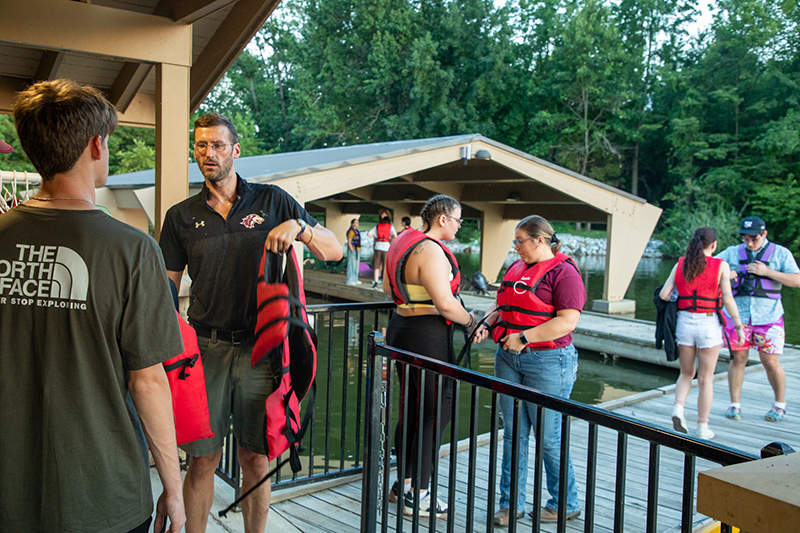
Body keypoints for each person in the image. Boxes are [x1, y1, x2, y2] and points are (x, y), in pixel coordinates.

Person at [0, 80, 185, 532]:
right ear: (96, 145)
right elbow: (148, 382)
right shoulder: (133, 250)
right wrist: (174, 488)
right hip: (104, 497)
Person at [159, 113, 340, 533]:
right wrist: (169, 345)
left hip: (264, 350)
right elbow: (166, 289)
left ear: (236, 150)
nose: (209, 153)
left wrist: (301, 228)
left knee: (256, 457)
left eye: (218, 145)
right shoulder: (181, 216)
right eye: (201, 145)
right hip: (206, 350)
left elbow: (332, 251)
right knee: (202, 459)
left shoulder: (273, 201)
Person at [474, 215, 583, 527]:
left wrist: (523, 338)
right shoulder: (516, 268)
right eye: (515, 241)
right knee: (513, 433)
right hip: (508, 359)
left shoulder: (564, 273)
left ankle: (565, 502)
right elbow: (503, 305)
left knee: (549, 438)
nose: (516, 247)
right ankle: (510, 505)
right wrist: (488, 322)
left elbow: (567, 321)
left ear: (540, 240)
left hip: (549, 361)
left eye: (520, 241)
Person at [383, 194, 478, 518]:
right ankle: (419, 494)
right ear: (442, 219)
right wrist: (471, 321)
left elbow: (386, 287)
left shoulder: (403, 240)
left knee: (411, 408)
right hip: (427, 335)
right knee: (436, 412)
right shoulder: (431, 250)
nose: (459, 226)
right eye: (458, 220)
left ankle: (404, 483)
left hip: (400, 327)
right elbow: (446, 303)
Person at [659, 227, 745, 440]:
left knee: (686, 373)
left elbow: (664, 294)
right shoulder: (721, 266)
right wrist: (739, 326)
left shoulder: (681, 263)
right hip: (708, 325)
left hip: (685, 323)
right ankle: (702, 427)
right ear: (714, 245)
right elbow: (727, 298)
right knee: (706, 379)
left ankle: (678, 408)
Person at [715, 216, 800, 423]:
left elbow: (797, 280)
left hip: (769, 317)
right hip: (738, 317)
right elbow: (712, 268)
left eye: (754, 238)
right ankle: (735, 405)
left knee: (770, 362)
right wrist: (728, 273)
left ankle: (779, 405)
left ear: (764, 234)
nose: (750, 243)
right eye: (746, 238)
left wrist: (768, 272)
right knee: (738, 359)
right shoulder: (733, 252)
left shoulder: (781, 253)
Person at [367, 208, 396, 288]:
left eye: (383, 214)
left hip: (378, 246)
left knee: (377, 265)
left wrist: (376, 237)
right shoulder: (391, 226)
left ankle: (376, 281)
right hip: (386, 246)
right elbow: (395, 236)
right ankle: (385, 282)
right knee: (385, 265)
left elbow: (369, 234)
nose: (382, 216)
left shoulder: (377, 225)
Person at [345, 218, 362, 285]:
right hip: (353, 249)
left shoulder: (356, 231)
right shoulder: (351, 232)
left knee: (356, 265)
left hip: (357, 250)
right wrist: (352, 249)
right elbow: (349, 241)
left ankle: (355, 279)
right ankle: (350, 280)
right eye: (356, 222)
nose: (358, 224)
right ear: (352, 224)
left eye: (358, 222)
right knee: (351, 265)